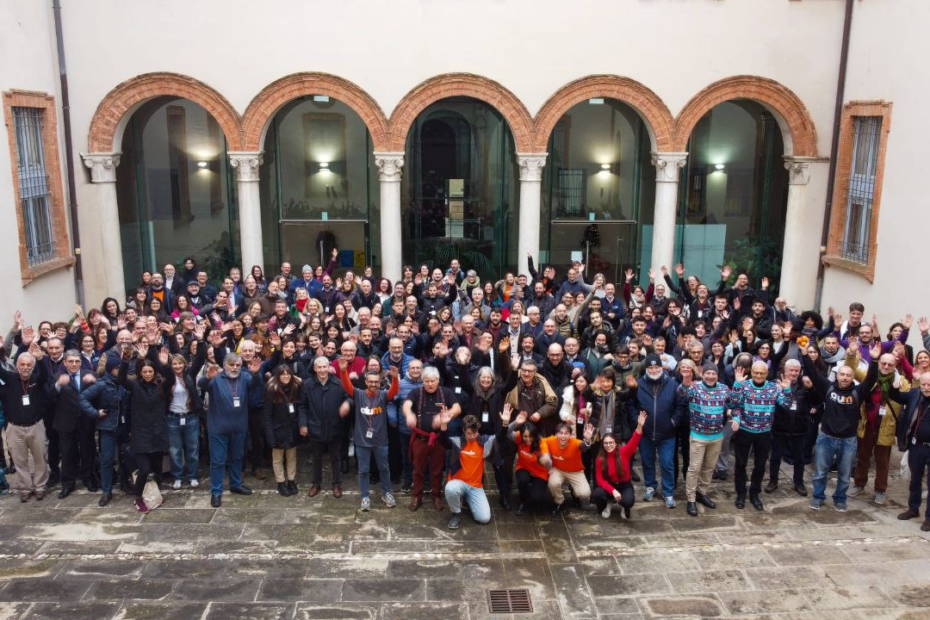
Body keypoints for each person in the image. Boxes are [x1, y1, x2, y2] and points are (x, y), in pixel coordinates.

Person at [802, 342, 879, 512]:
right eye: (841, 374)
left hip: (848, 441)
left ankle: (840, 499)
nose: (844, 377)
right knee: (820, 473)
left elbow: (871, 379)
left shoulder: (858, 392)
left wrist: (874, 361)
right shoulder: (827, 388)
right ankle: (818, 497)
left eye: (848, 375)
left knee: (844, 476)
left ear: (852, 378)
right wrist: (804, 355)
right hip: (826, 437)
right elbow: (813, 373)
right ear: (837, 376)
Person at [846, 346, 909, 506]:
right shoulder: (869, 377)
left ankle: (880, 490)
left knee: (883, 462)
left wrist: (903, 380)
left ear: (895, 366)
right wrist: (852, 354)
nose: (886, 366)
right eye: (883, 363)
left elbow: (915, 387)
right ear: (879, 363)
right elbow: (851, 367)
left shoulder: (901, 382)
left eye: (890, 364)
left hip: (885, 428)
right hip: (867, 425)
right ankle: (859, 483)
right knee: (862, 458)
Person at [626, 354, 686, 508]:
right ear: (646, 369)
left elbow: (680, 406)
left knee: (667, 463)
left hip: (667, 433)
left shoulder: (672, 384)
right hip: (645, 433)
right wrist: (636, 421)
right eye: (650, 367)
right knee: (647, 462)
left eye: (656, 367)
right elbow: (631, 405)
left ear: (661, 368)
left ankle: (668, 492)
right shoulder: (638, 385)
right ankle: (650, 486)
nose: (653, 370)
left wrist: (673, 422)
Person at [729, 361, 792, 511]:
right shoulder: (743, 385)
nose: (758, 375)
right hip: (744, 430)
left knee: (760, 465)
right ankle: (741, 493)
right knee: (741, 464)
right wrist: (737, 385)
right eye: (756, 372)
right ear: (752, 373)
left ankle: (754, 493)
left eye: (761, 373)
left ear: (767, 373)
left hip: (764, 432)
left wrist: (787, 389)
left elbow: (787, 405)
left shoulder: (773, 388)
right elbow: (734, 404)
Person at [339, 358, 399, 511]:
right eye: (370, 381)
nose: (373, 384)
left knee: (384, 469)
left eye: (376, 382)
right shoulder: (358, 394)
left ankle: (387, 493)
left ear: (379, 382)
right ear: (366, 381)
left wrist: (395, 377)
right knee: (363, 471)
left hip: (381, 441)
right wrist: (344, 371)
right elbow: (347, 386)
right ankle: (365, 496)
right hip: (362, 441)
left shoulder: (383, 395)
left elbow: (394, 392)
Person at [681, 363, 739, 517]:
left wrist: (736, 417)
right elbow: (681, 394)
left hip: (716, 437)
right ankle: (691, 498)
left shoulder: (723, 389)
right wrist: (685, 384)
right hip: (698, 436)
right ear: (703, 374)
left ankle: (702, 492)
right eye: (708, 373)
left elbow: (735, 403)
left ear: (717, 375)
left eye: (714, 373)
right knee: (694, 468)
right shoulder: (695, 387)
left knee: (709, 468)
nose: (711, 376)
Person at [117, 344, 169, 513]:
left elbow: (170, 376)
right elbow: (122, 379)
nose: (147, 374)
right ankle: (138, 497)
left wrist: (155, 355)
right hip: (141, 434)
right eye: (144, 371)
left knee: (157, 469)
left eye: (150, 371)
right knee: (144, 469)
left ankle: (155, 494)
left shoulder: (161, 385)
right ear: (140, 372)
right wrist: (126, 359)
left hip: (158, 433)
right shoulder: (135, 386)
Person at [199, 352, 255, 507]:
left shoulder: (245, 377)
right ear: (225, 365)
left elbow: (255, 385)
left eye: (238, 365)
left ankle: (236, 484)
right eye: (232, 365)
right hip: (218, 427)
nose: (235, 368)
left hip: (238, 427)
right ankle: (216, 492)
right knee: (217, 461)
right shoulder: (216, 377)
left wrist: (256, 374)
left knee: (237, 457)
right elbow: (202, 385)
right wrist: (207, 378)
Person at [403, 366, 461, 511]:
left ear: (438, 380)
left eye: (433, 381)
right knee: (418, 469)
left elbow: (457, 408)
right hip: (420, 438)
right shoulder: (416, 392)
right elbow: (406, 404)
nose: (430, 384)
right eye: (427, 381)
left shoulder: (446, 392)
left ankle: (436, 495)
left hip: (439, 439)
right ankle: (417, 496)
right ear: (422, 381)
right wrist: (409, 414)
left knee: (437, 469)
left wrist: (448, 416)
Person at [440, 411, 508, 530]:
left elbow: (500, 438)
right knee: (450, 488)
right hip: (458, 482)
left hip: (475, 486)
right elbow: (444, 441)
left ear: (478, 430)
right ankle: (456, 514)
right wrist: (444, 425)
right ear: (463, 431)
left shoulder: (483, 442)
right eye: (469, 433)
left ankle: (467, 498)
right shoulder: (458, 442)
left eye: (474, 433)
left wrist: (505, 423)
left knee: (484, 518)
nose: (472, 436)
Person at [78, 352, 128, 507]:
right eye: (117, 367)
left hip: (124, 426)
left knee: (126, 456)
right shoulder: (101, 384)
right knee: (106, 459)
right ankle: (107, 490)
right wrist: (95, 413)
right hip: (108, 427)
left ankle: (126, 482)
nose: (120, 370)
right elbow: (83, 398)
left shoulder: (125, 382)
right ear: (111, 369)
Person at [0, 346, 48, 502]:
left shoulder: (37, 380)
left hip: (36, 426)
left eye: (29, 364)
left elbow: (45, 375)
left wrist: (40, 359)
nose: (25, 367)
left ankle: (40, 486)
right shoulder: (9, 378)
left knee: (40, 458)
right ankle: (26, 488)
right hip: (15, 428)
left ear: (32, 366)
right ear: (17, 365)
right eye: (22, 364)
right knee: (19, 460)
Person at [299, 356, 351, 498]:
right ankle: (316, 483)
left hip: (334, 427)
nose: (322, 370)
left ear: (329, 367)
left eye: (324, 367)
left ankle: (336, 483)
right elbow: (302, 406)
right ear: (315, 369)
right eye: (319, 367)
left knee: (336, 457)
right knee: (316, 458)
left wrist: (347, 404)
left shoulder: (338, 384)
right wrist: (303, 424)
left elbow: (349, 397)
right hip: (315, 427)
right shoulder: (307, 384)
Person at [48, 350, 95, 499]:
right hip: (65, 422)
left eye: (77, 361)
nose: (74, 364)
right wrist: (58, 385)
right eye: (71, 361)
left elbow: (99, 394)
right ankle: (68, 483)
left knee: (88, 450)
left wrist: (94, 382)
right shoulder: (57, 377)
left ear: (81, 362)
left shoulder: (90, 374)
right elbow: (49, 399)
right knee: (67, 453)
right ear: (65, 362)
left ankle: (87, 478)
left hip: (86, 421)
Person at [888, 373, 930, 531]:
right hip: (916, 446)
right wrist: (894, 387)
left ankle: (929, 517)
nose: (926, 388)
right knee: (915, 479)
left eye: (929, 385)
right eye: (923, 384)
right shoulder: (915, 394)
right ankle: (913, 508)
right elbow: (896, 397)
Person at [765, 359, 811, 497]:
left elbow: (815, 400)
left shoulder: (805, 384)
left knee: (799, 457)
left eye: (796, 370)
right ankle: (773, 480)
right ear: (785, 370)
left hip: (800, 427)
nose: (793, 373)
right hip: (780, 426)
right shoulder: (775, 383)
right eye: (791, 370)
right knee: (775, 456)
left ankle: (798, 482)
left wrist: (810, 388)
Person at [591, 411, 646, 520]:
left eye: (611, 442)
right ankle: (608, 503)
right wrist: (613, 490)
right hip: (610, 485)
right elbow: (600, 480)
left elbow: (635, 439)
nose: (608, 445)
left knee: (628, 501)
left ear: (616, 443)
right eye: (605, 443)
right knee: (597, 493)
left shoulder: (624, 452)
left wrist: (639, 426)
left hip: (624, 485)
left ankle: (624, 507)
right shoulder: (600, 459)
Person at [541, 418, 595, 516]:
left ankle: (574, 490)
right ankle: (559, 501)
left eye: (566, 433)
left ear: (570, 435)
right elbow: (541, 441)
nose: (563, 436)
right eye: (560, 433)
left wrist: (587, 439)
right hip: (558, 469)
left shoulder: (575, 442)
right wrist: (545, 454)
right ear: (556, 434)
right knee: (553, 483)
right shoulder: (551, 440)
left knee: (585, 494)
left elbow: (584, 446)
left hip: (575, 471)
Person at [263, 365, 302, 496]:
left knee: (292, 457)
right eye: (282, 374)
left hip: (291, 429)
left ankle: (291, 480)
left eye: (288, 374)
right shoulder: (271, 390)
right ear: (277, 376)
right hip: (277, 430)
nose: (286, 376)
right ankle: (280, 482)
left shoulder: (295, 388)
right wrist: (270, 436)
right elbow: (267, 415)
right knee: (278, 459)